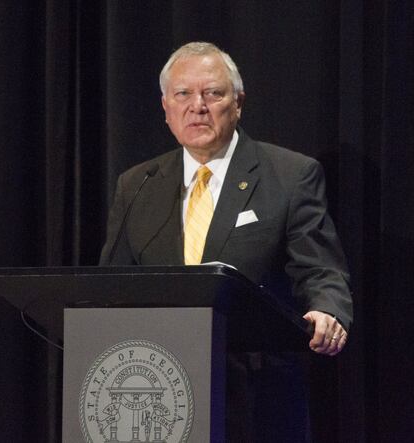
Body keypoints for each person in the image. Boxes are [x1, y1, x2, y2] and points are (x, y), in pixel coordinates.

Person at [99, 41, 353, 441]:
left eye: (213, 93)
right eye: (183, 94)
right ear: (165, 107)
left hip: (256, 395)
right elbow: (111, 284)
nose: (196, 105)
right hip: (159, 396)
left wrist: (328, 310)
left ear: (237, 103)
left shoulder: (290, 175)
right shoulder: (137, 184)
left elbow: (320, 267)